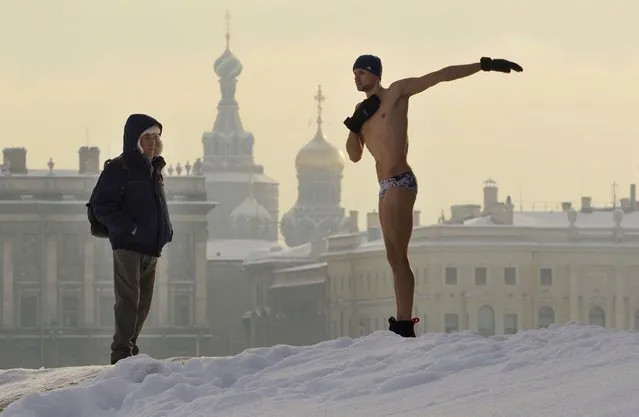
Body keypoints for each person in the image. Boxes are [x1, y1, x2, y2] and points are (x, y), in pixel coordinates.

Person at [343, 55, 523, 338]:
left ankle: (404, 322)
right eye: (354, 73)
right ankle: (401, 320)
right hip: (383, 186)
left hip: (401, 181)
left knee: (400, 253)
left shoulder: (396, 93)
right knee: (392, 256)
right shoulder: (361, 109)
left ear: (376, 74)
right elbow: (354, 156)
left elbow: (440, 75)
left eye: (362, 72)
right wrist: (355, 126)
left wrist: (482, 65)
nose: (357, 77)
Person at [90, 113, 173, 364]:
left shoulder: (154, 169)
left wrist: (165, 232)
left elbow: (158, 205)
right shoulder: (120, 167)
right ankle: (121, 352)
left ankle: (130, 347)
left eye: (155, 137)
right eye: (146, 136)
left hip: (152, 246)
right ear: (134, 139)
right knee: (129, 300)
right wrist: (128, 228)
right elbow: (100, 205)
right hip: (128, 245)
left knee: (143, 303)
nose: (151, 141)